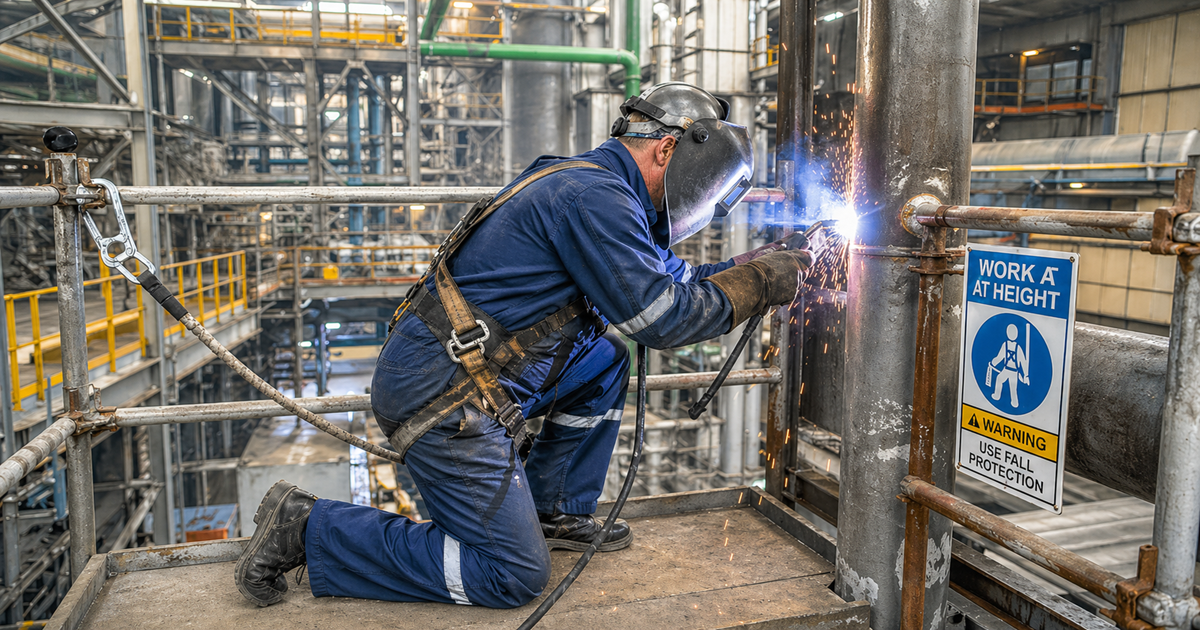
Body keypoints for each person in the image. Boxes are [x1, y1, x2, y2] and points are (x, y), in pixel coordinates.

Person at [234, 82, 813, 609]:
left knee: (605, 360)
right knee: (510, 576)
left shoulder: (595, 185)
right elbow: (662, 319)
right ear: (668, 150)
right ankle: (307, 527)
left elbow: (672, 279)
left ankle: (552, 509)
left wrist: (747, 265)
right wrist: (762, 285)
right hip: (444, 398)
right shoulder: (596, 198)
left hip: (478, 374)